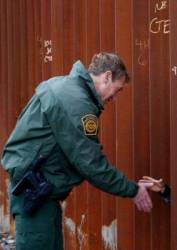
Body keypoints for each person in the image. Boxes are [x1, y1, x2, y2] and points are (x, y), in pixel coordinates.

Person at [1, 52, 153, 250]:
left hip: (40, 191)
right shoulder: (77, 103)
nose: (114, 99)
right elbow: (91, 164)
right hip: (35, 193)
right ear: (106, 76)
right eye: (117, 90)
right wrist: (133, 190)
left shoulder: (60, 85)